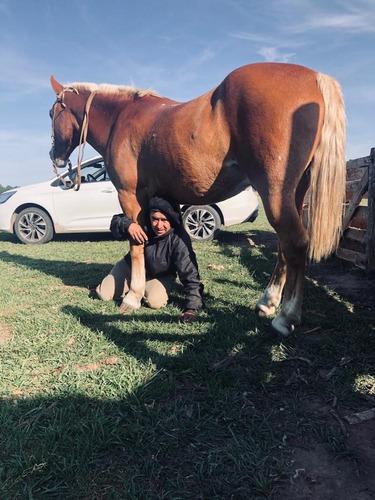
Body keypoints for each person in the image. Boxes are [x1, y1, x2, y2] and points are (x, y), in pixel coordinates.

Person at [96, 196, 203, 322]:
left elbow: (189, 272)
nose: (159, 225)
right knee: (103, 294)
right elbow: (115, 221)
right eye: (155, 219)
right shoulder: (142, 224)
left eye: (164, 220)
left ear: (172, 219)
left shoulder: (178, 238)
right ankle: (129, 286)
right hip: (129, 269)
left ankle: (142, 289)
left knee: (155, 302)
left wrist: (192, 308)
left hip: (160, 275)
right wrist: (128, 225)